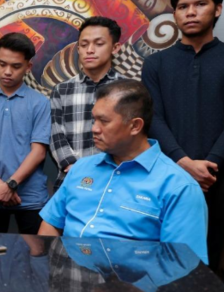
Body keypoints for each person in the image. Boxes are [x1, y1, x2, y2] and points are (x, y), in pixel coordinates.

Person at [38, 79, 208, 264]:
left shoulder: (179, 187)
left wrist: (132, 290)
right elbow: (51, 224)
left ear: (135, 126)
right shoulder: (81, 168)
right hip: (70, 281)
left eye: (104, 121)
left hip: (134, 288)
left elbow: (183, 264)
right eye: (94, 119)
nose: (94, 129)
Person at [141, 0, 224, 285]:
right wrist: (183, 163)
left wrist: (209, 165)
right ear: (175, 14)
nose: (190, 12)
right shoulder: (156, 64)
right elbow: (152, 119)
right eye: (183, 7)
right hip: (166, 176)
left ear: (217, 9)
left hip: (218, 178)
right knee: (164, 262)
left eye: (200, 4)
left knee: (213, 262)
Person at [0, 33, 50, 234]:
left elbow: (38, 152)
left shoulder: (40, 103)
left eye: (16, 66)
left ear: (28, 67)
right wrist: (0, 186)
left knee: (37, 257)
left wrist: (11, 184)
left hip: (30, 197)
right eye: (2, 64)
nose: (7, 71)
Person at [50, 16, 127, 191]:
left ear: (115, 48)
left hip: (115, 181)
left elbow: (131, 137)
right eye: (84, 45)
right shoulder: (62, 90)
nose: (90, 50)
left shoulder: (128, 90)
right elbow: (56, 136)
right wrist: (74, 168)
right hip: (71, 180)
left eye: (99, 44)